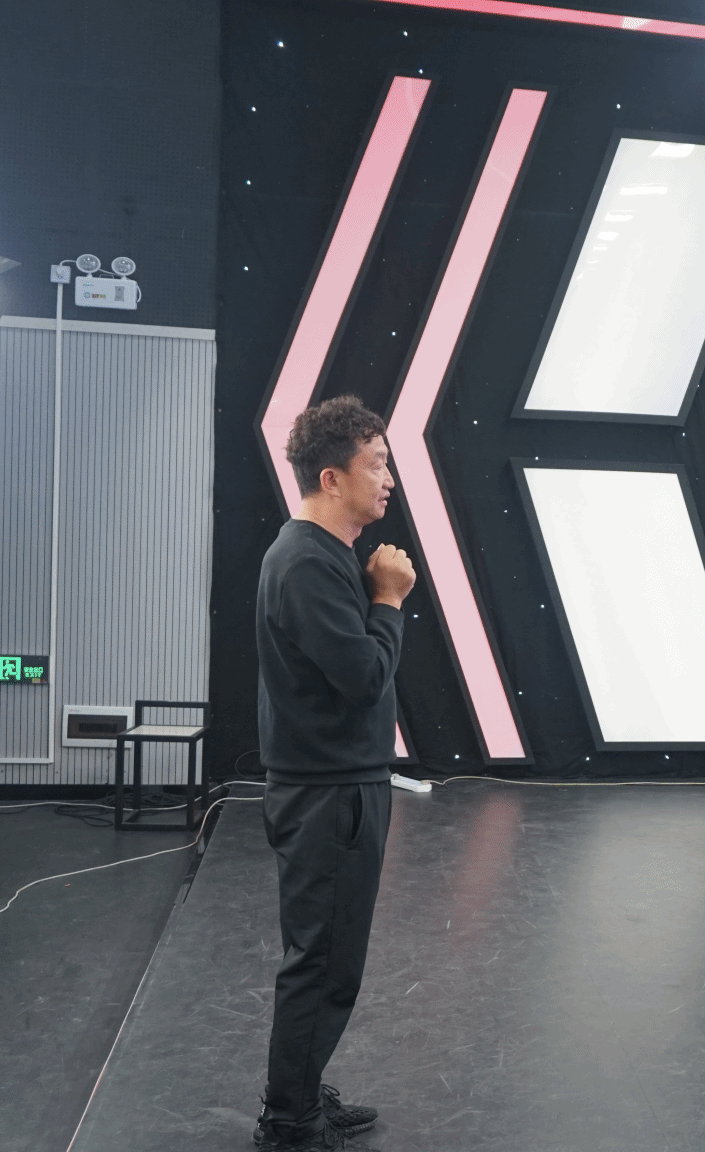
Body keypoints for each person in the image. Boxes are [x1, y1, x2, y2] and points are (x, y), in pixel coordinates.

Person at [253, 396, 415, 1152]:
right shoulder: (309, 562)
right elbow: (363, 678)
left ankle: (299, 1093)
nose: (389, 480)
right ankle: (290, 1124)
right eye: (376, 465)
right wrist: (389, 600)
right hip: (329, 794)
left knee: (326, 958)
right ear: (331, 477)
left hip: (331, 785)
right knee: (322, 964)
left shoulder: (317, 556)